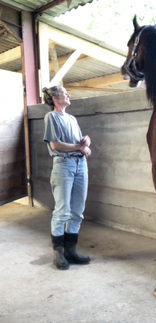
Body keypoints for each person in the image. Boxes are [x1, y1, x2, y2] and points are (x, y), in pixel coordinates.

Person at [43, 85, 91, 270]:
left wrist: (85, 142)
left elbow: (78, 143)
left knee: (78, 211)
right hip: (63, 165)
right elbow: (55, 145)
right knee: (62, 211)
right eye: (64, 93)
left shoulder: (72, 118)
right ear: (55, 98)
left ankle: (71, 250)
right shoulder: (51, 117)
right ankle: (58, 253)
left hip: (81, 166)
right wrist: (79, 147)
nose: (68, 95)